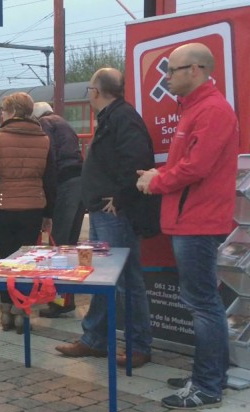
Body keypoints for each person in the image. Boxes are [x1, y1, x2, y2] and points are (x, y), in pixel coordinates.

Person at [137, 43, 238, 409]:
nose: (166, 78)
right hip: (190, 219)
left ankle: (207, 386)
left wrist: (156, 181)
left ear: (195, 70)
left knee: (202, 304)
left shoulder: (211, 111)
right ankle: (209, 374)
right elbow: (188, 163)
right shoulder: (197, 109)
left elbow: (197, 168)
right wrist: (158, 173)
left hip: (198, 221)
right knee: (203, 302)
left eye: (172, 71)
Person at [55, 68, 154, 369]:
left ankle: (138, 346)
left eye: (89, 89)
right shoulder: (112, 117)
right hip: (101, 210)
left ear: (96, 92)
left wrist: (120, 198)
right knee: (102, 276)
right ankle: (95, 339)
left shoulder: (123, 118)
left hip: (115, 213)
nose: (89, 95)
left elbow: (137, 161)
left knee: (126, 279)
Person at [0, 93, 56, 333]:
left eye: (2, 110)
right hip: (33, 208)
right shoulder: (44, 140)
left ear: (10, 112)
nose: (1, 115)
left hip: (3, 208)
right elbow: (51, 181)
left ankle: (7, 312)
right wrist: (48, 214)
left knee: (6, 260)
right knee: (27, 263)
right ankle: (24, 312)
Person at [32, 101, 84, 318]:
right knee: (69, 246)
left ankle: (59, 301)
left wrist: (47, 204)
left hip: (65, 185)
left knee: (59, 246)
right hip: (80, 183)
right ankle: (67, 298)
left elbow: (48, 159)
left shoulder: (45, 123)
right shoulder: (63, 123)